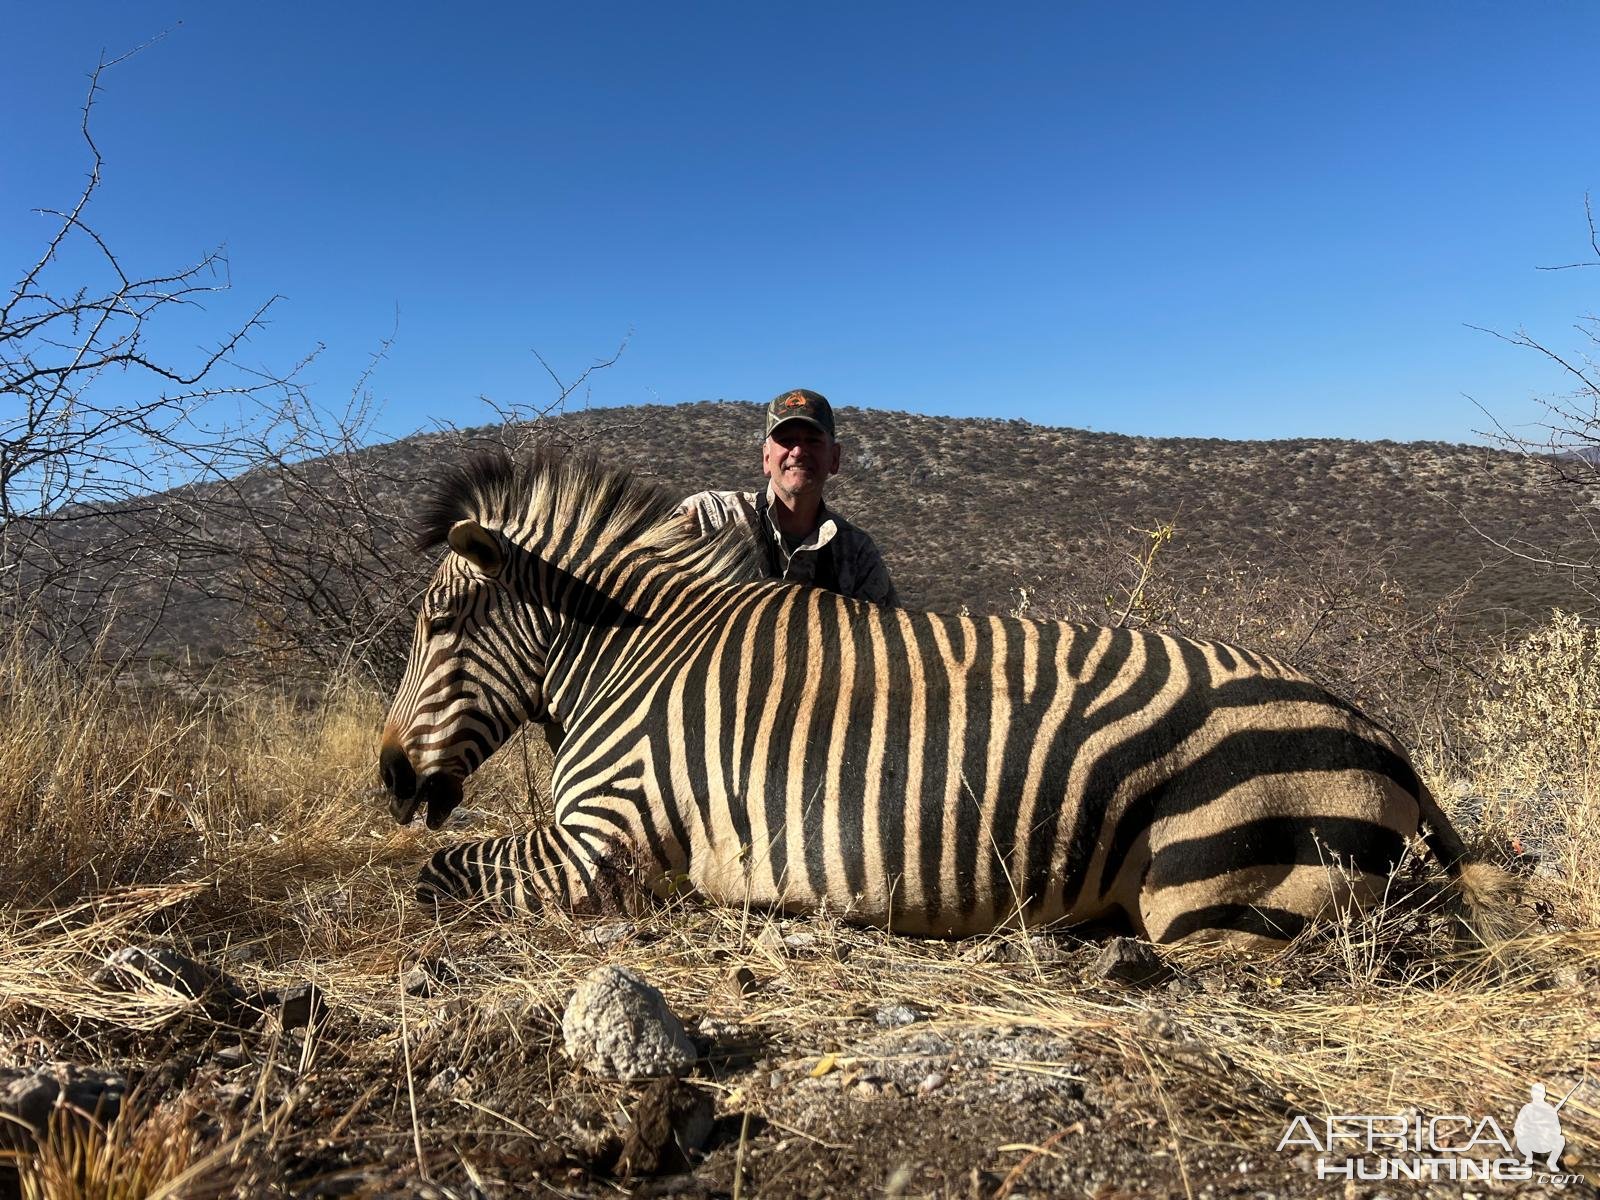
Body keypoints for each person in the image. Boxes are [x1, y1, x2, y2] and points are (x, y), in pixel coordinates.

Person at [681, 389, 897, 606]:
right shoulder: (707, 517)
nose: (798, 452)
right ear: (766, 457)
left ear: (834, 457)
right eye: (786, 440)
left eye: (812, 441)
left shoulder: (858, 554)